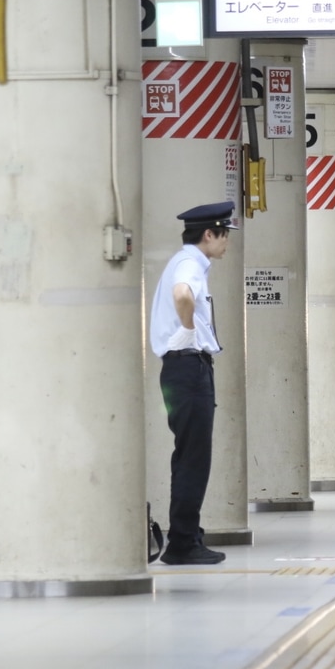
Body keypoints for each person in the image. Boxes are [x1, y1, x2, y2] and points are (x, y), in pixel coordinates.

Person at [149, 201, 238, 566]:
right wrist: (187, 330)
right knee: (193, 459)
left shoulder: (186, 261)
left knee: (188, 456)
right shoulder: (189, 264)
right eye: (224, 235)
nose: (227, 242)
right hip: (188, 369)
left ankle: (187, 535)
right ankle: (183, 542)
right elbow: (182, 295)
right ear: (208, 234)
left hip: (184, 369)